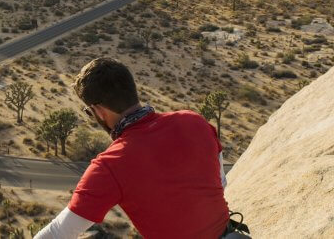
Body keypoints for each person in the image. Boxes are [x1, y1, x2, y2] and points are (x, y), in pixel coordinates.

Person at [34, 58, 231, 238]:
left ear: (99, 111)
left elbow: (59, 231)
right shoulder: (194, 121)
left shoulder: (110, 165)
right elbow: (220, 183)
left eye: (89, 112)